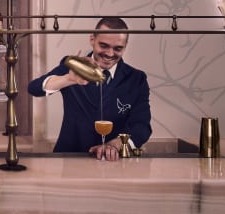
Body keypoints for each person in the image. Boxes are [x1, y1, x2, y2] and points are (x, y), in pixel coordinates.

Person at [28, 17, 152, 160]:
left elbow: (142, 126)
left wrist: (115, 144)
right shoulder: (74, 66)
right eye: (104, 46)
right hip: (71, 159)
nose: (110, 54)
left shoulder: (137, 79)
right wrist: (68, 79)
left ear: (125, 46)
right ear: (92, 39)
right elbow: (34, 88)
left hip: (114, 162)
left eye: (118, 48)